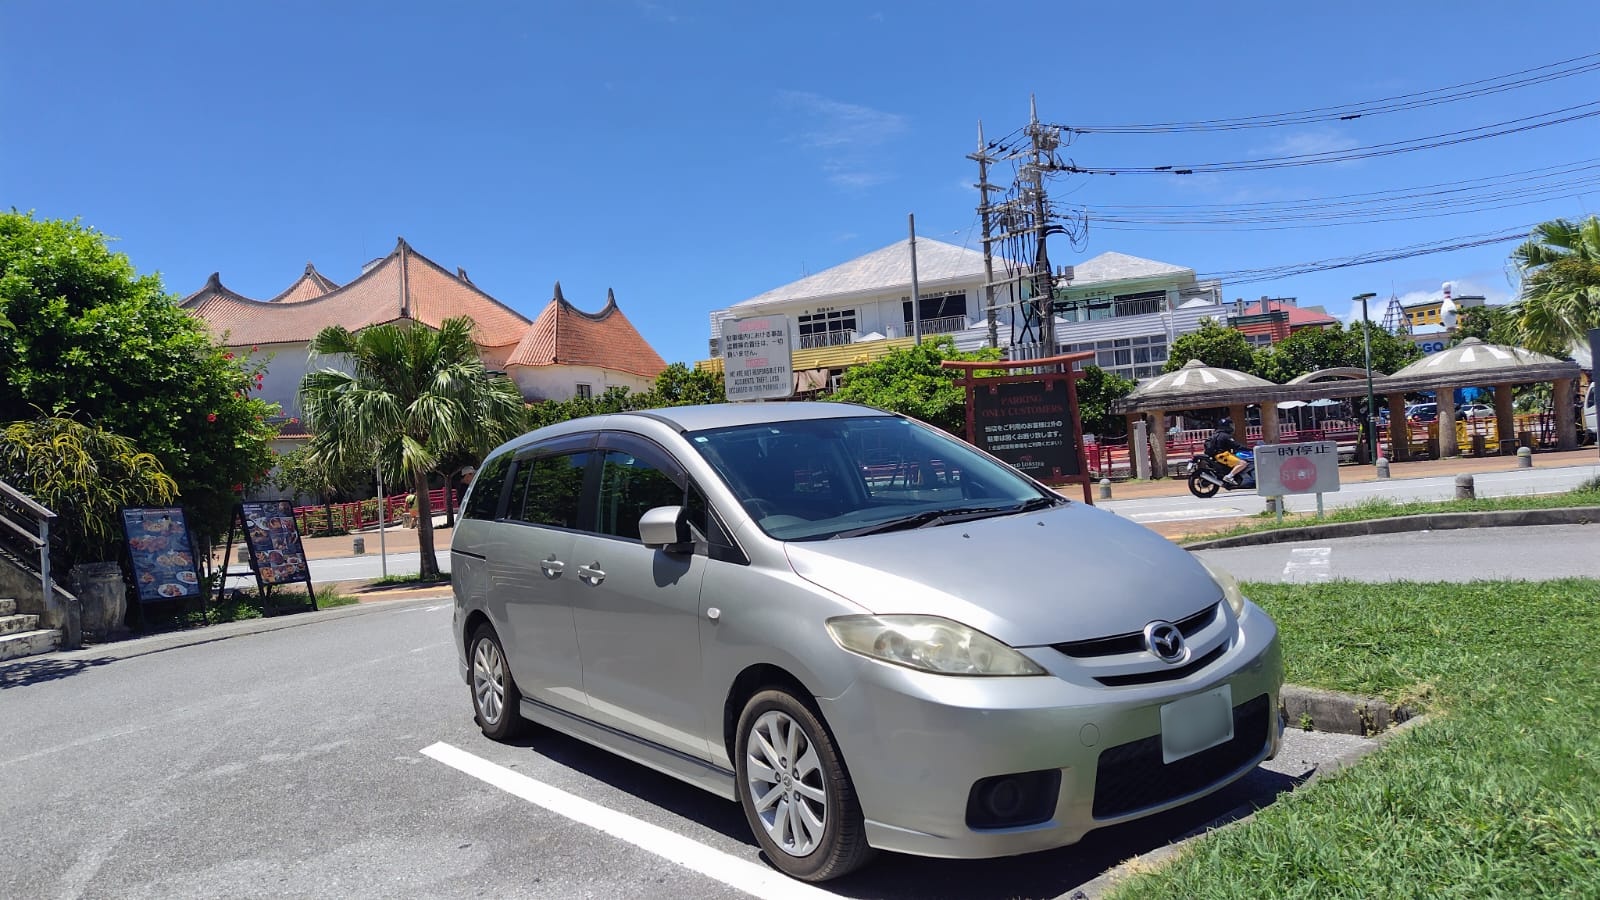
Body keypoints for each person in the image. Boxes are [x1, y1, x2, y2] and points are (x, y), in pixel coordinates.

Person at [1204, 418, 1251, 485]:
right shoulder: (1225, 436)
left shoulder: (1217, 434)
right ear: (1226, 426)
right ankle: (1229, 477)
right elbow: (1236, 445)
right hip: (1223, 455)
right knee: (1243, 463)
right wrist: (1249, 449)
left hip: (1219, 455)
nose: (1231, 427)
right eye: (1230, 425)